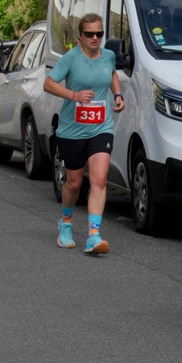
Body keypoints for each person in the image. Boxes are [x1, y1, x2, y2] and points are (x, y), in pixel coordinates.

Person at [43, 13, 124, 255]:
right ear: (80, 36)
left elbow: (112, 74)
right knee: (74, 182)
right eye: (89, 34)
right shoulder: (71, 58)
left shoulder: (108, 56)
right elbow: (48, 83)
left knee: (99, 180)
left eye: (99, 33)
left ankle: (93, 235)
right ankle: (66, 223)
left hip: (101, 127)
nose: (95, 38)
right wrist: (74, 95)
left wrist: (118, 94)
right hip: (72, 130)